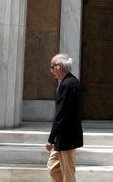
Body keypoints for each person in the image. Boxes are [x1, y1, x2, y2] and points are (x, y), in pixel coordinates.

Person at [46, 53, 83, 182]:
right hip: (63, 137)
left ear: (59, 67)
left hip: (67, 136)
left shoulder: (69, 84)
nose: (51, 70)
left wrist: (51, 138)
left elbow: (61, 114)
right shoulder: (67, 82)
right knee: (54, 167)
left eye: (52, 67)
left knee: (68, 172)